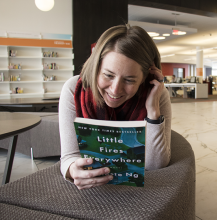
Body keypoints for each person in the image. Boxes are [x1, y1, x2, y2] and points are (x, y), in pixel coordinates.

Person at [59, 25, 171, 190]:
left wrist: (153, 111)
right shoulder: (73, 89)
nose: (115, 90)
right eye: (108, 75)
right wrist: (71, 169)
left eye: (129, 80)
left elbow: (156, 165)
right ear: (96, 66)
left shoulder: (157, 94)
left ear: (146, 78)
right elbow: (68, 157)